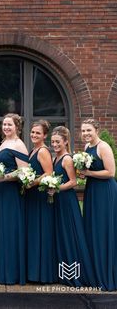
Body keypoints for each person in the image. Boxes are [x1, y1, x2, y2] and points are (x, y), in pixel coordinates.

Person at [50, 126, 96, 287]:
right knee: (61, 235)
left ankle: (76, 274)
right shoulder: (56, 158)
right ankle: (63, 273)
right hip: (58, 201)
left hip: (67, 201)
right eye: (53, 142)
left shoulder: (67, 158)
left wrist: (56, 188)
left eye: (58, 142)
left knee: (69, 235)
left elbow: (74, 182)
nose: (54, 144)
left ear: (65, 142)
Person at [0, 113, 28, 285]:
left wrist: (3, 178)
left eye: (9, 125)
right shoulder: (4, 142)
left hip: (10, 192)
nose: (6, 127)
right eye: (4, 124)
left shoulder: (19, 144)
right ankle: (2, 270)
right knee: (1, 229)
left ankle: (11, 273)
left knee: (9, 230)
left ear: (17, 127)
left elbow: (23, 171)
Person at [80, 119, 117, 291]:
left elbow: (110, 172)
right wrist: (83, 174)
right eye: (83, 131)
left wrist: (88, 173)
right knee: (92, 228)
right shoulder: (87, 148)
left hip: (105, 191)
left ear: (96, 130)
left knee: (103, 229)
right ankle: (94, 273)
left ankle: (106, 274)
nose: (86, 133)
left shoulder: (103, 147)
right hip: (92, 190)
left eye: (89, 130)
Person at [26, 120, 56, 283]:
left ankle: (41, 273)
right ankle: (33, 272)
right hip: (31, 196)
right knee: (33, 232)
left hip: (39, 195)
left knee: (40, 232)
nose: (34, 135)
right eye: (33, 132)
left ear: (45, 135)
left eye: (38, 133)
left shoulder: (43, 151)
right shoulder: (33, 150)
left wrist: (33, 182)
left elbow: (49, 173)